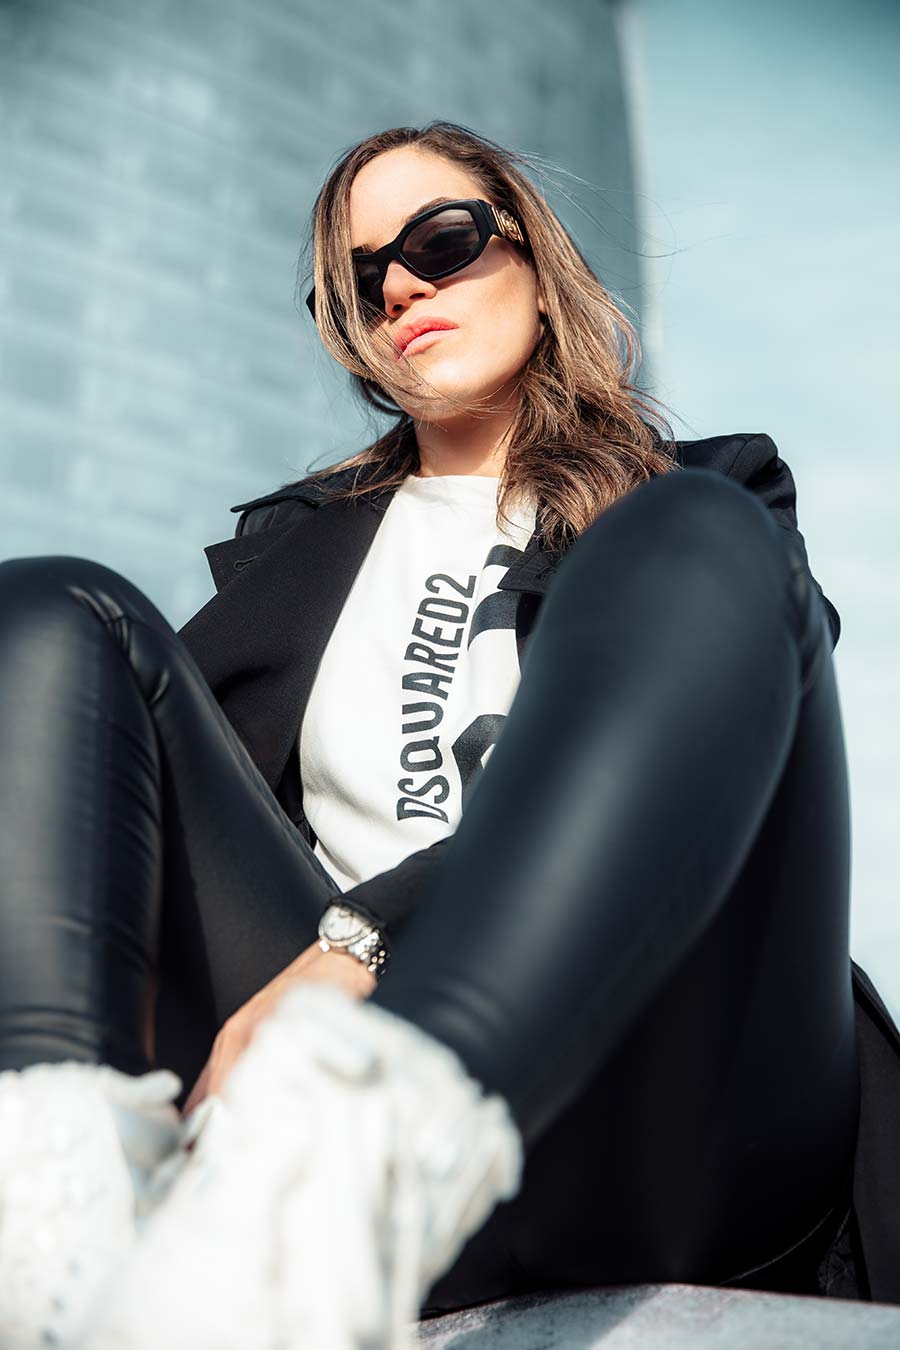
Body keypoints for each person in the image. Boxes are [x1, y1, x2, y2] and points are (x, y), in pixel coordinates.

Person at [1, 118, 897, 1349]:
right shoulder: (292, 561)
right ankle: (58, 1217)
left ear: (534, 253)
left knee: (694, 534)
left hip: (668, 1107)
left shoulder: (707, 505)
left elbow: (701, 783)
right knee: (54, 613)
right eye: (361, 279)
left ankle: (373, 1147)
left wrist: (366, 938)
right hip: (302, 1083)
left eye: (442, 240)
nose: (402, 289)